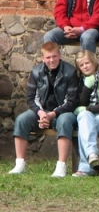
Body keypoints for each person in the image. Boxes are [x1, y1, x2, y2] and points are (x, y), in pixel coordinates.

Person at [8, 42, 79, 177]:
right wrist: (41, 113)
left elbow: (71, 101)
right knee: (21, 120)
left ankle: (61, 166)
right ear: (42, 58)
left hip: (63, 112)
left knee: (64, 122)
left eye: (54, 56)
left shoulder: (70, 72)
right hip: (41, 111)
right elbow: (30, 98)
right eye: (48, 57)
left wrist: (51, 115)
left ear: (60, 55)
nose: (51, 60)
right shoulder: (36, 71)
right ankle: (20, 164)